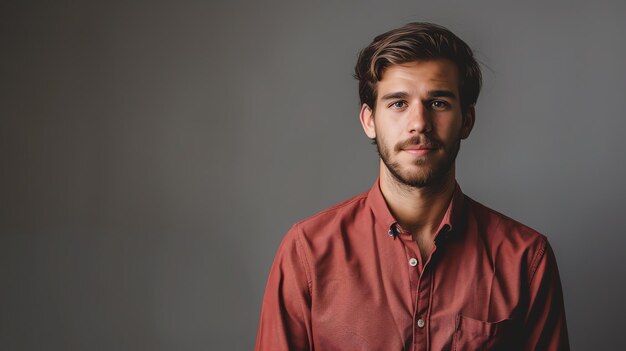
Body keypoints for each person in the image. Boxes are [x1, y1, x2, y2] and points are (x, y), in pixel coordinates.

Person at [255, 22, 569, 351]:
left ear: (467, 120)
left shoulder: (524, 259)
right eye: (398, 103)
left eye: (438, 103)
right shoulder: (307, 252)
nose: (419, 123)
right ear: (369, 121)